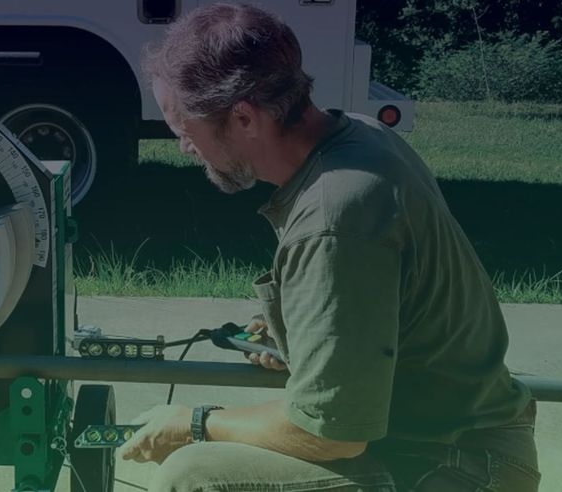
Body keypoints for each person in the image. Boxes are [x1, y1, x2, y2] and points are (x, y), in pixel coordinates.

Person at [116, 3, 540, 491]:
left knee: (193, 475)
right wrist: (304, 332)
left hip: (453, 465)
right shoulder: (362, 136)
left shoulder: (335, 216)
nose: (184, 147)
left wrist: (195, 423)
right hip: (461, 441)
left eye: (184, 129)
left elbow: (332, 435)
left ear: (244, 117)